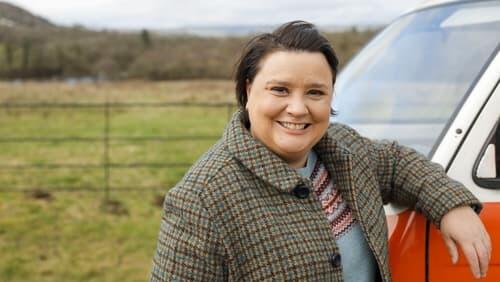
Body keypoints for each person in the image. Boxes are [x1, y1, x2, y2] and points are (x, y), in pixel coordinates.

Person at [150, 21, 491, 281]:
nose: (298, 109)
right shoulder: (201, 199)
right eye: (280, 90)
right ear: (248, 89)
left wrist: (451, 205)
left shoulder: (344, 149)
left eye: (315, 92)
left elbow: (396, 162)